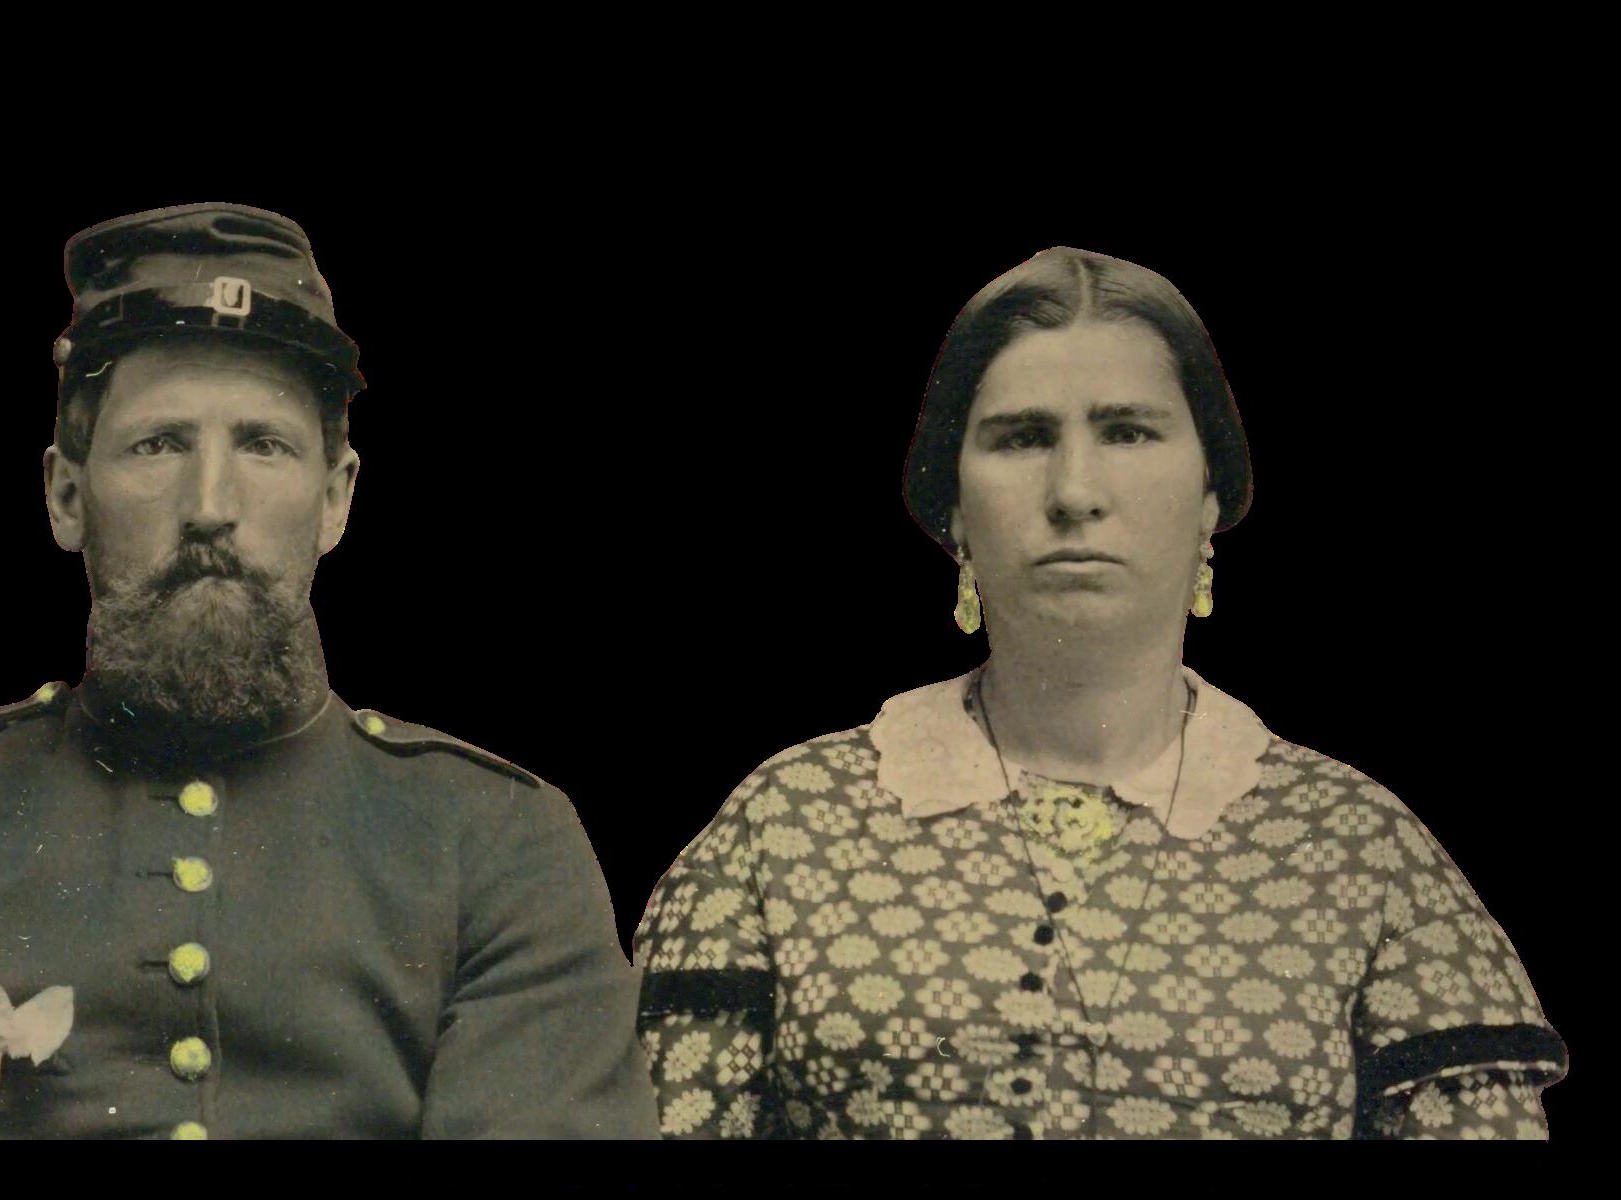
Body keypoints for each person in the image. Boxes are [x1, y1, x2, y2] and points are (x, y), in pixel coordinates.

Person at [0, 203, 658, 1140]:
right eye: (158, 444)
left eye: (264, 445)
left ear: (335, 500)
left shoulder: (497, 842)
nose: (210, 505)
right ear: (65, 495)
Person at [633, 247, 1567, 1139]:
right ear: (952, 504)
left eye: (1127, 431)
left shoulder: (1360, 852)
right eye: (1022, 438)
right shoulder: (788, 826)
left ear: (1211, 492)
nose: (1075, 491)